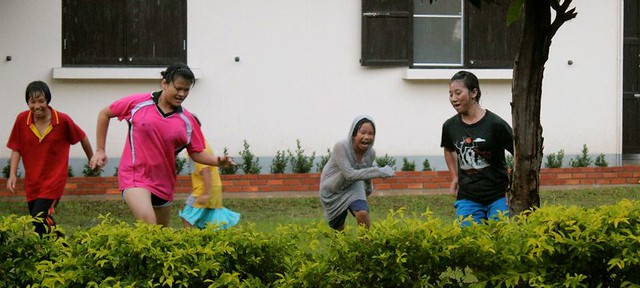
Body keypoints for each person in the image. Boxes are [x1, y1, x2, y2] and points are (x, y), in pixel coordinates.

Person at [89, 63, 235, 227]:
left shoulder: (187, 121)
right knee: (148, 223)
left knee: (161, 235)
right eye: (178, 88)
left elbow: (196, 152)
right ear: (164, 83)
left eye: (186, 90)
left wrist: (218, 161)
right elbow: (105, 113)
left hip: (163, 182)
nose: (181, 94)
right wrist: (100, 150)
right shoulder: (138, 103)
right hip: (134, 176)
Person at [6, 80, 94, 237]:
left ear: (47, 100)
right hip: (32, 182)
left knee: (39, 217)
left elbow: (82, 137)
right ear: (27, 102)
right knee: (38, 224)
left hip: (54, 181)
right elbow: (16, 148)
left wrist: (91, 158)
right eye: (32, 102)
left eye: (41, 101)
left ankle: (64, 250)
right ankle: (52, 255)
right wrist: (12, 174)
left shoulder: (62, 120)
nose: (36, 106)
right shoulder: (22, 120)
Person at [440, 70, 514, 227]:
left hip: (498, 196)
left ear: (474, 93)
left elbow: (519, 153)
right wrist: (454, 177)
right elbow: (448, 149)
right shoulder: (449, 126)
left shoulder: (495, 124)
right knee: (471, 243)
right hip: (467, 197)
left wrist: (512, 187)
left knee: (500, 240)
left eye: (458, 93)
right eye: (450, 94)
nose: (453, 99)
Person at [319, 115, 395, 231]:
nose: (367, 137)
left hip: (354, 185)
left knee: (362, 213)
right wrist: (378, 171)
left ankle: (365, 246)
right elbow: (349, 174)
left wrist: (368, 187)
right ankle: (341, 247)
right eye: (363, 132)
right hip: (333, 189)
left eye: (371, 133)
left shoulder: (370, 153)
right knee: (339, 232)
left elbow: (367, 171)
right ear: (354, 134)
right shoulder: (341, 147)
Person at [179, 116, 240, 229]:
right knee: (209, 220)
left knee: (186, 217)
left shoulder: (198, 147)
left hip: (204, 190)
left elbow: (205, 170)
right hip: (211, 187)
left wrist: (206, 193)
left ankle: (190, 242)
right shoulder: (202, 143)